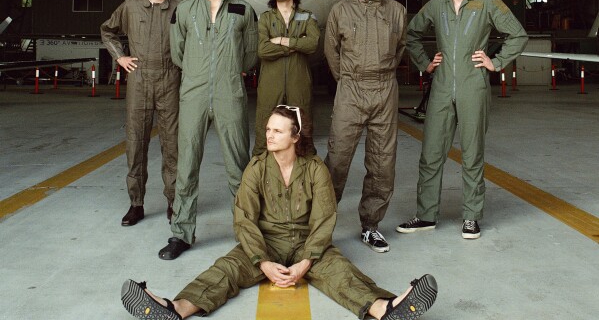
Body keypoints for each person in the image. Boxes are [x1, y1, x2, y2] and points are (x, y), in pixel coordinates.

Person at [121, 106, 438, 320]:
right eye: (268, 129)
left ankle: (387, 308)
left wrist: (306, 261)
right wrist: (262, 261)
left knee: (341, 273)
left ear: (295, 137)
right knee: (224, 271)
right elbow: (244, 218)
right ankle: (172, 309)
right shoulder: (256, 168)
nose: (269, 135)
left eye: (278, 130)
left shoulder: (315, 170)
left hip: (306, 243)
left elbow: (324, 219)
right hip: (264, 242)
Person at [396, 0, 528, 239]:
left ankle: (471, 216)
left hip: (473, 86)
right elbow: (411, 35)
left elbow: (517, 34)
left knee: (472, 153)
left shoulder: (487, 1)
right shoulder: (436, 6)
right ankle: (426, 215)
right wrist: (425, 62)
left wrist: (497, 62)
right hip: (442, 87)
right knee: (431, 153)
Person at [159, 0, 258, 260]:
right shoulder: (185, 10)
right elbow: (177, 53)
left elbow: (252, 53)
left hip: (231, 94)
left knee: (238, 168)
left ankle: (246, 234)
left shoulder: (244, 9)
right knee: (186, 165)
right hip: (194, 96)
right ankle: (181, 234)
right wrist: (199, 74)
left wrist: (229, 71)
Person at [323, 0, 407, 253]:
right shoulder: (340, 11)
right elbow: (331, 51)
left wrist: (381, 77)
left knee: (383, 163)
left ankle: (371, 226)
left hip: (385, 90)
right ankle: (321, 227)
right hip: (351, 90)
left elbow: (400, 49)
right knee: (338, 159)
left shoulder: (397, 11)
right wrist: (347, 80)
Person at [100, 0, 181, 226]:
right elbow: (107, 31)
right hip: (139, 78)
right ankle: (136, 203)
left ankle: (173, 201)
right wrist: (120, 57)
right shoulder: (131, 7)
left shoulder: (180, 8)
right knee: (136, 143)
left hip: (170, 78)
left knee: (172, 145)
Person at [252, 0, 320, 157]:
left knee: (303, 133)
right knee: (264, 132)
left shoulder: (307, 17)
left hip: (299, 85)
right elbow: (263, 50)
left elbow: (312, 44)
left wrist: (282, 40)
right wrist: (296, 44)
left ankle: (306, 179)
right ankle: (259, 179)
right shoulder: (265, 18)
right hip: (269, 86)